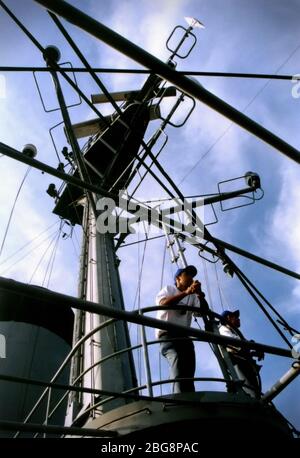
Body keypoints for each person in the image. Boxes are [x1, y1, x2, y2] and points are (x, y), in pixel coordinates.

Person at [155, 265, 210, 394]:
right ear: (178, 278)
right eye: (187, 274)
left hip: (184, 336)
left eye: (192, 275)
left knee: (189, 370)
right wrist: (185, 293)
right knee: (178, 360)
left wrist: (200, 294)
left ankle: (190, 398)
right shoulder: (169, 289)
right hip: (167, 334)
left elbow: (203, 312)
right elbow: (163, 303)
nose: (191, 278)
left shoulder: (192, 297)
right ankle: (179, 398)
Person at [218, 309, 264, 398]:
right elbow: (235, 344)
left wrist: (254, 350)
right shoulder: (223, 329)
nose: (239, 319)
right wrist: (252, 346)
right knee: (250, 392)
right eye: (236, 317)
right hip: (236, 363)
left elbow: (241, 346)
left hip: (242, 362)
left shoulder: (232, 332)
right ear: (228, 318)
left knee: (255, 390)